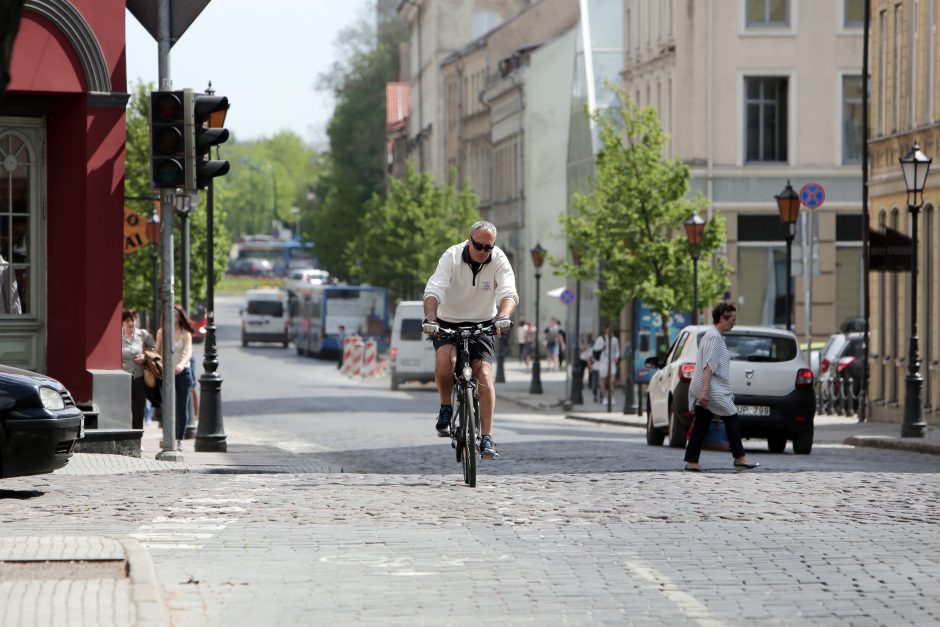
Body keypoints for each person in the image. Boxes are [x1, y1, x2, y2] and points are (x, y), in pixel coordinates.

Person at [422, 220, 518, 460]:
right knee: (445, 360)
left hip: (482, 323)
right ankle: (446, 407)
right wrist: (430, 319)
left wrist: (503, 317)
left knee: (484, 376)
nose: (485, 252)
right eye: (480, 246)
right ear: (469, 240)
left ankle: (486, 436)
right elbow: (434, 290)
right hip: (447, 321)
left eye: (489, 247)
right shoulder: (451, 256)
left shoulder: (498, 258)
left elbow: (508, 292)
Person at [684, 302, 760, 472]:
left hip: (706, 385)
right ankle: (740, 457)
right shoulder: (714, 338)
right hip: (710, 386)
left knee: (702, 422)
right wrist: (705, 392)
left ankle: (691, 460)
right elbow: (708, 366)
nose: (734, 322)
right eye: (732, 319)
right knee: (731, 415)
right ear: (722, 318)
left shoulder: (713, 336)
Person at [156, 305, 195, 452]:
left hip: (183, 373)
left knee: (181, 407)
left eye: (178, 315)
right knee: (167, 406)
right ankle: (167, 436)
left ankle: (180, 438)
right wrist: (160, 366)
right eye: (172, 315)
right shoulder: (162, 332)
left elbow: (188, 352)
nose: (175, 318)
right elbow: (158, 352)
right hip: (167, 374)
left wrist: (181, 365)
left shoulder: (185, 333)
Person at [121, 310, 155, 430]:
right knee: (124, 410)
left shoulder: (143, 335)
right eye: (127, 321)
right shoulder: (116, 336)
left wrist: (145, 357)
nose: (130, 323)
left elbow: (153, 352)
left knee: (138, 410)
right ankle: (125, 437)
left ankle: (137, 438)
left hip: (140, 378)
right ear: (123, 322)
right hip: (123, 378)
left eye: (133, 320)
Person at [592, 324, 620, 404]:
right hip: (603, 362)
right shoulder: (601, 339)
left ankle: (612, 397)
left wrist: (616, 357)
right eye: (608, 329)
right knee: (603, 380)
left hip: (612, 362)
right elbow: (595, 349)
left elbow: (617, 350)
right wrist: (603, 346)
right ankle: (604, 397)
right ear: (606, 330)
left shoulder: (615, 339)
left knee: (612, 380)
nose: (609, 330)